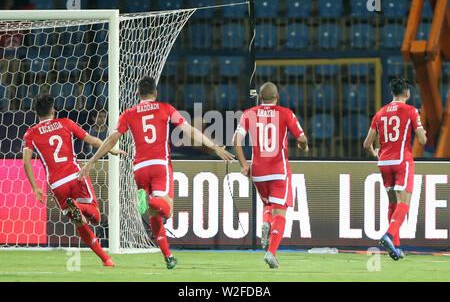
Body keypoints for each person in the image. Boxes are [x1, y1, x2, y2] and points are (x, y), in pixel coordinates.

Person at [78, 76, 235, 269]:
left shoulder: (129, 113)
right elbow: (189, 131)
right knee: (167, 209)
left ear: (137, 94)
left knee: (154, 216)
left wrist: (92, 161)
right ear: (156, 93)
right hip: (159, 165)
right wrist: (215, 147)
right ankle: (147, 199)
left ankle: (168, 256)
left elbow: (111, 139)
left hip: (139, 169)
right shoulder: (165, 108)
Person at [23, 92, 126, 267]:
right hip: (76, 176)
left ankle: (106, 259)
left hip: (57, 185)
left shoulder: (30, 134)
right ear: (54, 111)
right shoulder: (66, 123)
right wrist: (112, 150)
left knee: (79, 222)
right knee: (96, 218)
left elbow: (26, 162)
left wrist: (35, 188)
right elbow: (92, 140)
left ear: (35, 114)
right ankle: (80, 207)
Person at [232, 82, 309, 268]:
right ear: (277, 98)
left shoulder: (249, 113)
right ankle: (272, 252)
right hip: (278, 171)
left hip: (258, 171)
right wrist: (304, 146)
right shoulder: (286, 113)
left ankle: (266, 225)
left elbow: (236, 141)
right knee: (280, 211)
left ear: (260, 98)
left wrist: (244, 165)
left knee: (267, 204)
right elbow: (301, 138)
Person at [363, 78, 427, 261]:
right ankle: (389, 236)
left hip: (383, 163)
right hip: (402, 160)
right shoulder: (411, 111)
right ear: (407, 93)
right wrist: (423, 133)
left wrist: (375, 153)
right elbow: (422, 141)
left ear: (392, 93)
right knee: (404, 203)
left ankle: (396, 247)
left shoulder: (380, 113)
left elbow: (367, 143)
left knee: (392, 203)